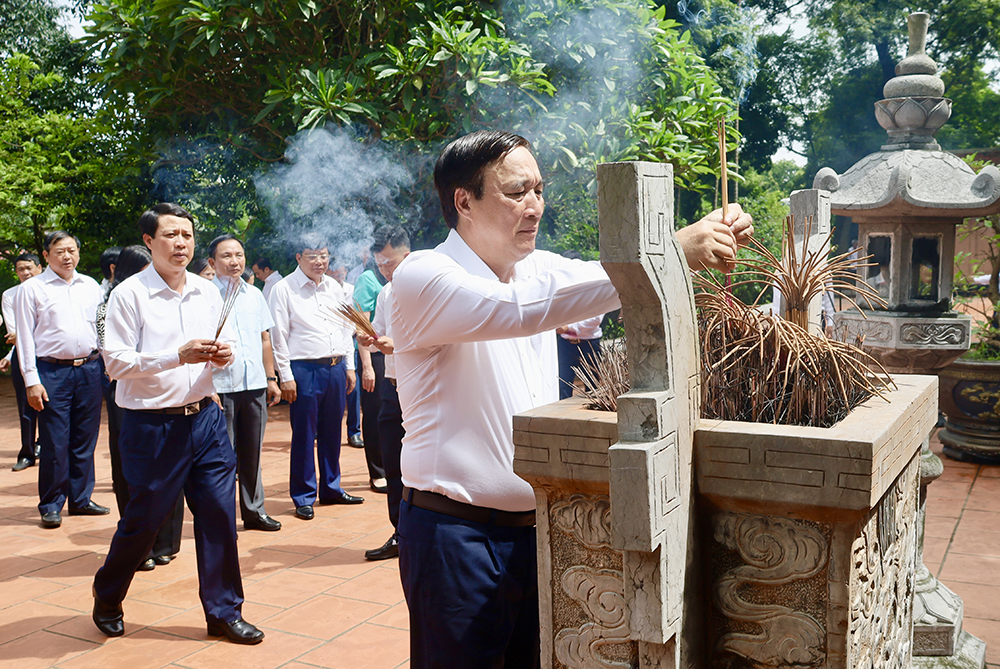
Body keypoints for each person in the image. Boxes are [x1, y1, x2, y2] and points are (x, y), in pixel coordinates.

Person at [390, 130, 752, 667]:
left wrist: (698, 246)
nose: (535, 205)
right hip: (455, 535)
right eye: (516, 192)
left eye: (539, 189)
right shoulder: (424, 275)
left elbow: (590, 291)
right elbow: (519, 309)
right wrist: (671, 249)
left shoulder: (539, 269)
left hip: (543, 528)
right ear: (463, 202)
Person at [92, 203, 263, 644]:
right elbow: (116, 363)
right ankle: (108, 593)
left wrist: (221, 354)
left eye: (187, 235)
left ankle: (224, 611)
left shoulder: (208, 292)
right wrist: (177, 356)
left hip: (205, 418)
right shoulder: (128, 295)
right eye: (170, 235)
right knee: (143, 521)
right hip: (151, 427)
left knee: (219, 516)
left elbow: (218, 348)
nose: (181, 243)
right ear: (150, 242)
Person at [98, 245, 185, 572]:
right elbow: (114, 356)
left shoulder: (175, 295)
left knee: (174, 463)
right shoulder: (113, 301)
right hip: (130, 389)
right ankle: (140, 543)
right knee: (135, 470)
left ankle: (167, 541)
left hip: (173, 385)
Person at [15, 232, 109, 529]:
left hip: (90, 368)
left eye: (72, 250)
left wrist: (108, 363)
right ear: (46, 255)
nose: (67, 256)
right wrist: (32, 379)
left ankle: (80, 499)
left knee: (85, 437)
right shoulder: (32, 289)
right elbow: (26, 339)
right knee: (55, 439)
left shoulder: (91, 286)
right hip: (51, 372)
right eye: (60, 251)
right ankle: (52, 503)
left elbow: (101, 327)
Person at [268, 237, 362, 521]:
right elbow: (278, 336)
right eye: (312, 256)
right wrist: (285, 375)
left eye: (324, 255)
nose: (320, 262)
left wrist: (349, 365)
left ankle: (331, 488)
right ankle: (303, 495)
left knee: (333, 430)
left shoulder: (334, 287)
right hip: (303, 370)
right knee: (305, 434)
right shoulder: (284, 289)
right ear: (299, 257)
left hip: (335, 367)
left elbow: (346, 328)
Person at [208, 234, 282, 532]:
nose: (234, 261)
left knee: (252, 453)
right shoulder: (205, 295)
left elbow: (265, 339)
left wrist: (271, 378)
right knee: (222, 457)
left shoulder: (253, 294)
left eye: (239, 254)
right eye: (226, 256)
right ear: (212, 262)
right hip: (220, 387)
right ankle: (221, 517)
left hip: (254, 385)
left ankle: (254, 511)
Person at [358, 224, 411, 561]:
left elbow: (442, 338)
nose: (386, 270)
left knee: (423, 464)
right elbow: (379, 332)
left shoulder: (428, 288)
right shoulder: (385, 293)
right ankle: (400, 532)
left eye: (391, 263)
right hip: (392, 389)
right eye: (380, 265)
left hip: (422, 388)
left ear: (408, 254)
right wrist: (369, 338)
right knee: (393, 462)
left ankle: (426, 533)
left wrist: (401, 346)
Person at [1, 253, 43, 471]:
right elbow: (14, 334)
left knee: (52, 405)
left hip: (49, 356)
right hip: (22, 355)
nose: (25, 273)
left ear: (40, 268)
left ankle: (44, 445)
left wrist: (26, 334)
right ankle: (27, 452)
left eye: (29, 268)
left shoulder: (50, 290)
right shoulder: (10, 295)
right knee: (25, 406)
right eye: (20, 269)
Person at [353, 254, 388, 492]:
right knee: (375, 413)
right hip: (374, 357)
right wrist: (367, 366)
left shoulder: (396, 275)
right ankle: (377, 472)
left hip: (395, 352)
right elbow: (361, 325)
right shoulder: (368, 279)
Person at [555, 251, 604, 400]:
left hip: (588, 344)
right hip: (565, 345)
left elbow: (595, 319)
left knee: (593, 386)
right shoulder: (560, 288)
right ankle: (560, 419)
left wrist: (569, 328)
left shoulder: (593, 286)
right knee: (563, 383)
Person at [328, 260, 363, 448]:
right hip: (330, 348)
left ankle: (354, 432)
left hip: (350, 344)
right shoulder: (323, 290)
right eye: (333, 274)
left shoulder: (352, 290)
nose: (336, 277)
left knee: (353, 391)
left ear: (346, 271)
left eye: (340, 274)